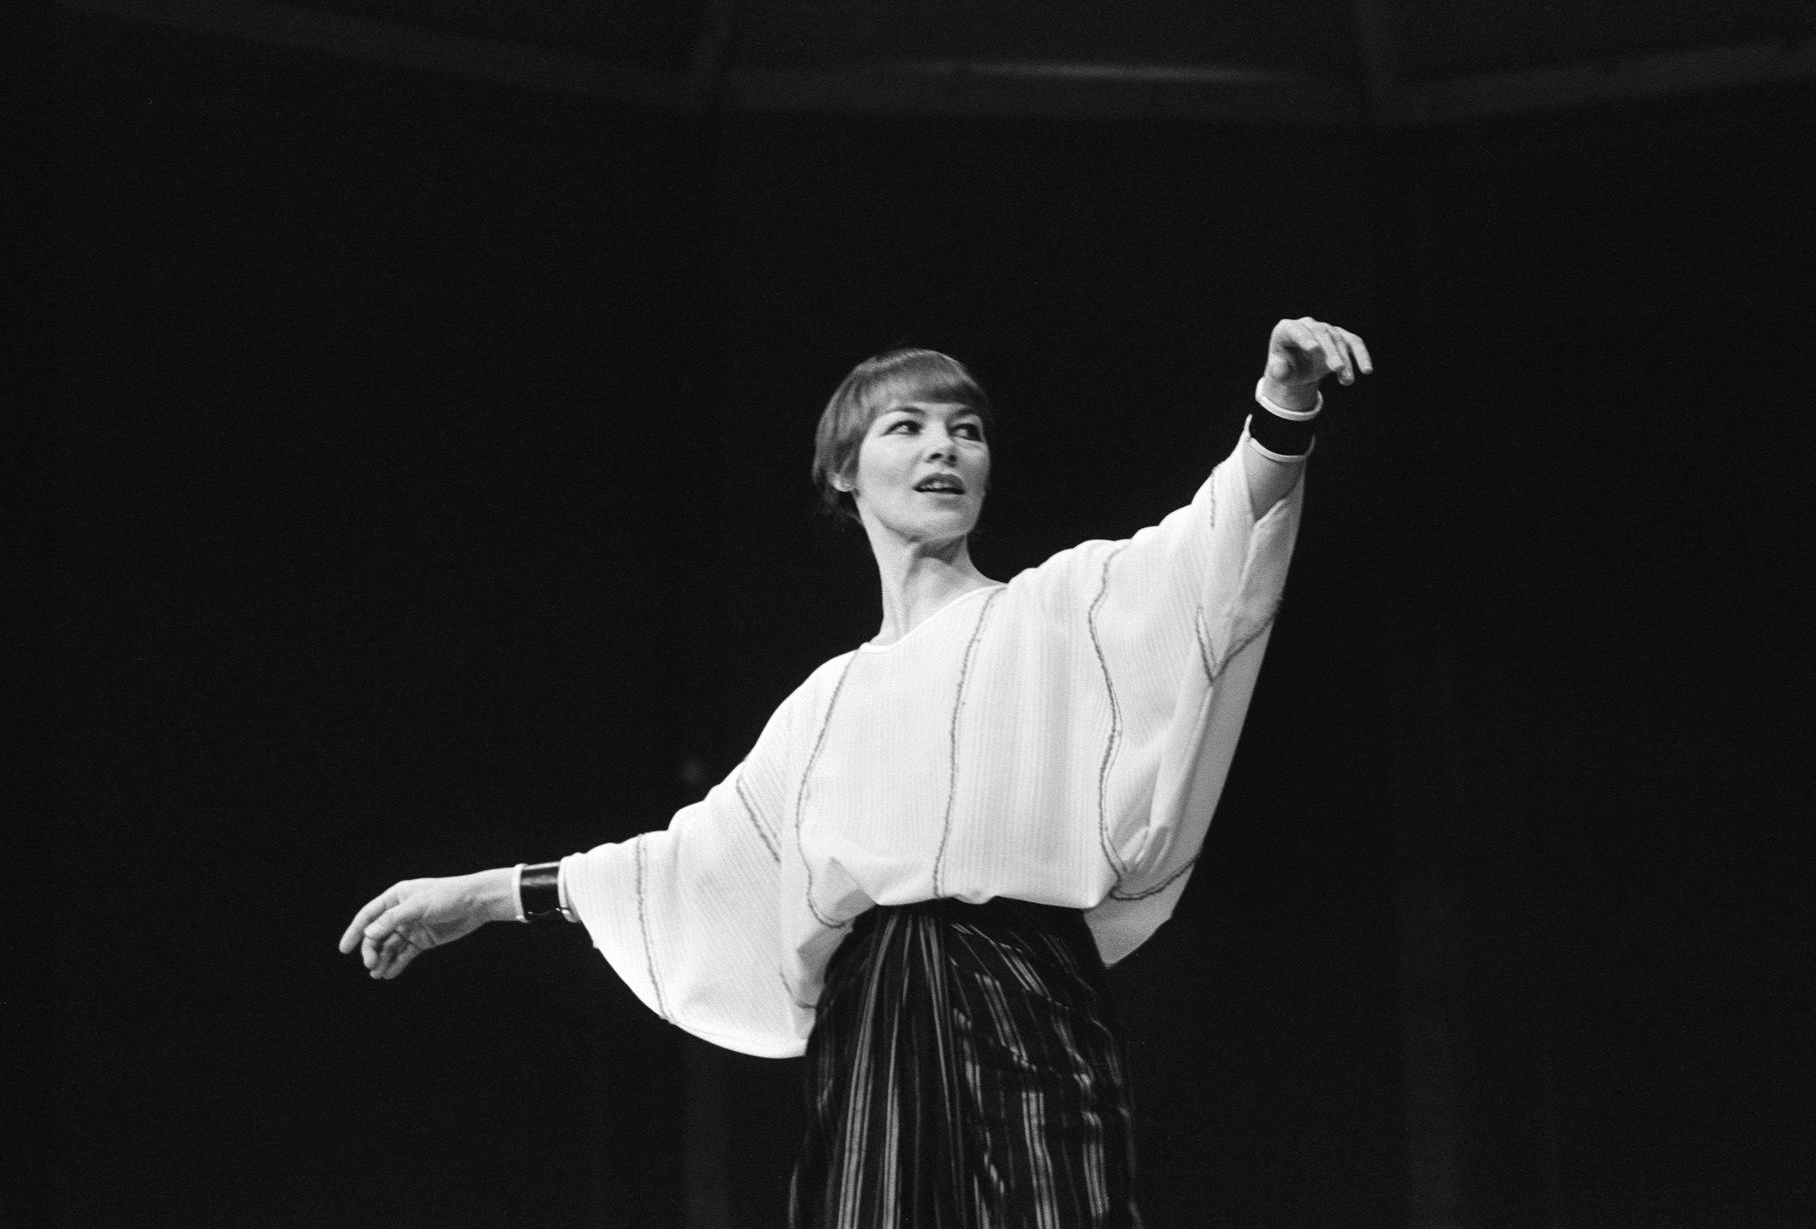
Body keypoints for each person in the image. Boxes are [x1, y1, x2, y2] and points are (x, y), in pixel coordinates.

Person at [340, 316, 1372, 1227]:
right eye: (908, 426)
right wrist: (483, 894)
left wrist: (1280, 405)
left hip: (1025, 985)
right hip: (876, 1015)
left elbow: (1212, 553)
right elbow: (689, 863)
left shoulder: (1059, 607)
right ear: (846, 469)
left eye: (966, 430)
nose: (944, 448)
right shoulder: (823, 703)